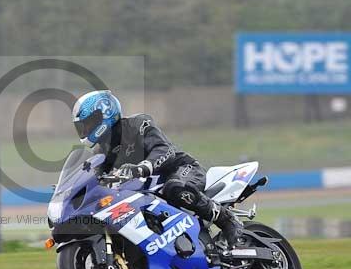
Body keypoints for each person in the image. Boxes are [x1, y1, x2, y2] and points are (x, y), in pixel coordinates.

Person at [72, 89, 244, 245]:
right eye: (82, 126)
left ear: (104, 115)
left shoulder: (138, 124)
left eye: (88, 123)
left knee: (174, 188)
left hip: (181, 169)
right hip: (148, 190)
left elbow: (164, 149)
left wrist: (141, 168)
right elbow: (96, 178)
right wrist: (76, 190)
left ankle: (227, 219)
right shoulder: (101, 150)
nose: (85, 129)